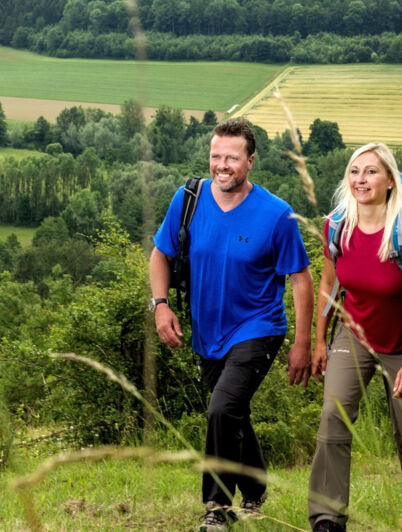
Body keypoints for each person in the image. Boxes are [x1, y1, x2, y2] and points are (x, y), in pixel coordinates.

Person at [149, 119, 314, 532]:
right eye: (215, 156)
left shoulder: (276, 215)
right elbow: (160, 255)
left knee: (221, 409)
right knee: (233, 413)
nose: (222, 165)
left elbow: (301, 279)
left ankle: (217, 508)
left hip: (258, 328)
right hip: (207, 332)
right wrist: (160, 305)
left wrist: (303, 343)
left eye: (232, 158)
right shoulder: (188, 199)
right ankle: (255, 490)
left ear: (250, 161)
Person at [307, 143, 402, 532]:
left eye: (370, 172)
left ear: (389, 182)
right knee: (334, 419)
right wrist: (320, 342)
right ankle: (327, 520)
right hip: (355, 336)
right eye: (354, 171)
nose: (360, 179)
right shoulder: (336, 225)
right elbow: (329, 286)